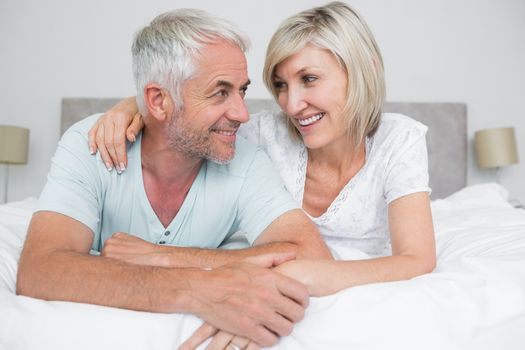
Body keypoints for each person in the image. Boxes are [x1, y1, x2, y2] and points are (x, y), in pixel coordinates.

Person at [88, 2, 437, 349]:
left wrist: (297, 275)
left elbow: (417, 259)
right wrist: (131, 106)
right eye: (281, 85)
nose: (291, 104)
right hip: (261, 275)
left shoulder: (398, 140)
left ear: (364, 70)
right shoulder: (262, 135)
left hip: (295, 280)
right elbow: (190, 116)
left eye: (309, 79)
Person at [16, 8, 333, 349]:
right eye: (220, 92)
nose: (242, 113)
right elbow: (40, 271)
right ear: (158, 101)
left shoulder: (246, 160)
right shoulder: (91, 145)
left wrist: (169, 257)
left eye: (241, 90)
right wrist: (199, 289)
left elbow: (313, 258)